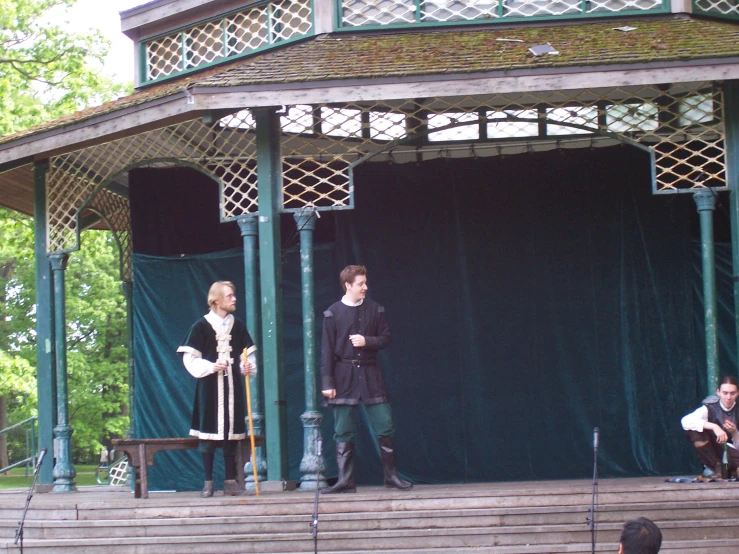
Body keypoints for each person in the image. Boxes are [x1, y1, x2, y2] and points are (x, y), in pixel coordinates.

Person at [320, 265, 412, 494]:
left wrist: (366, 341)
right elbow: (326, 351)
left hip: (371, 374)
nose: (365, 287)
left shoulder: (375, 310)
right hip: (343, 376)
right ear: (348, 285)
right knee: (343, 429)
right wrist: (327, 383)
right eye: (360, 283)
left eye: (365, 282)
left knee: (385, 424)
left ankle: (391, 477)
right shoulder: (332, 313)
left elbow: (386, 338)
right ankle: (345, 480)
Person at [177, 281, 256, 497]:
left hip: (232, 388)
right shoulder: (201, 326)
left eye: (233, 295)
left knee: (231, 435)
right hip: (209, 389)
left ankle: (230, 480)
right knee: (208, 434)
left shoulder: (237, 325)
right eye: (229, 296)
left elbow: (246, 354)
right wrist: (211, 366)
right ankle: (208, 482)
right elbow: (190, 360)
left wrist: (247, 365)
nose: (234, 299)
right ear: (217, 300)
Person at [681, 375, 739, 479]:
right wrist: (715, 427)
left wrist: (734, 433)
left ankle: (731, 471)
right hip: (715, 449)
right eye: (725, 393)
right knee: (695, 431)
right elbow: (685, 421)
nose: (728, 397)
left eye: (732, 393)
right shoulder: (710, 408)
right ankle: (716, 468)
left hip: (733, 453)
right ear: (718, 392)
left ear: (737, 393)